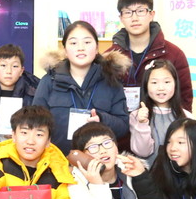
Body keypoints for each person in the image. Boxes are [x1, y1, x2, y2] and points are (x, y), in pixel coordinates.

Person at [33, 20, 130, 155]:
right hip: (57, 160)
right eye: (73, 43)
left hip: (98, 161)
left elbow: (123, 126)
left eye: (87, 42)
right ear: (65, 50)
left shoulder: (111, 81)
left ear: (96, 48)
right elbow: (36, 123)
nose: (80, 48)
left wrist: (102, 119)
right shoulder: (50, 81)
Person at [105, 0, 193, 113]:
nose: (134, 18)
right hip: (120, 124)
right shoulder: (110, 57)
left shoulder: (173, 54)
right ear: (121, 18)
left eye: (140, 11)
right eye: (128, 12)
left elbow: (184, 97)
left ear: (151, 15)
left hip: (162, 123)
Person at [130, 59, 192, 167]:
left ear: (175, 84)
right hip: (147, 174)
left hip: (178, 175)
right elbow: (142, 152)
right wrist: (142, 123)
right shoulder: (137, 115)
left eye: (167, 82)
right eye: (154, 83)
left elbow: (191, 153)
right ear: (146, 85)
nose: (161, 88)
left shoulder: (187, 117)